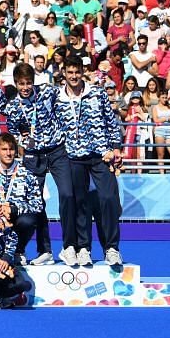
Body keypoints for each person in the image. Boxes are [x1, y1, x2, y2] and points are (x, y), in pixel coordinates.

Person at [53, 56, 123, 266]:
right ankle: (84, 247)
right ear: (64, 73)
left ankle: (112, 248)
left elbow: (111, 121)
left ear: (82, 72)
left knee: (109, 198)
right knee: (80, 203)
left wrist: (116, 147)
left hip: (101, 155)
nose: (74, 76)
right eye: (70, 72)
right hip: (73, 156)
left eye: (77, 72)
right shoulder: (57, 98)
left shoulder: (97, 93)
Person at [3, 63, 73, 265]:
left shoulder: (47, 92)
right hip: (33, 155)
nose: (25, 87)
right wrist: (24, 141)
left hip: (56, 150)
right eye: (21, 84)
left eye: (28, 83)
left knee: (68, 194)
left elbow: (67, 89)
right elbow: (13, 132)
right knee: (36, 203)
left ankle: (70, 247)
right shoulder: (13, 107)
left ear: (34, 82)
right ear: (16, 84)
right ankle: (46, 251)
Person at [0, 133, 43, 267]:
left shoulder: (26, 174)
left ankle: (18, 251)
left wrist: (13, 209)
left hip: (16, 218)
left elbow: (37, 205)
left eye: (11, 149)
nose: (8, 153)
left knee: (28, 221)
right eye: (4, 149)